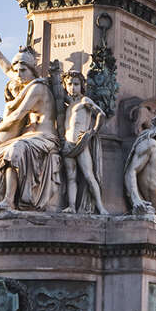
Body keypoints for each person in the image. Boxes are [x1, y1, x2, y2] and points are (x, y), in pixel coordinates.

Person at [0, 44, 61, 219]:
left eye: (23, 70)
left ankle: (9, 201)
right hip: (29, 137)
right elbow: (8, 69)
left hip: (44, 137)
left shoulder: (37, 88)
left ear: (32, 71)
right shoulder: (24, 83)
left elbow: (17, 116)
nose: (18, 74)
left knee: (15, 149)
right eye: (17, 70)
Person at [62, 70, 108, 215]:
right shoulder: (68, 103)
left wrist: (93, 131)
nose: (72, 87)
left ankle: (101, 207)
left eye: (76, 84)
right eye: (69, 84)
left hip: (81, 144)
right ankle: (71, 206)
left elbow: (101, 114)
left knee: (89, 176)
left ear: (82, 86)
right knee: (71, 177)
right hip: (67, 144)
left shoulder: (85, 101)